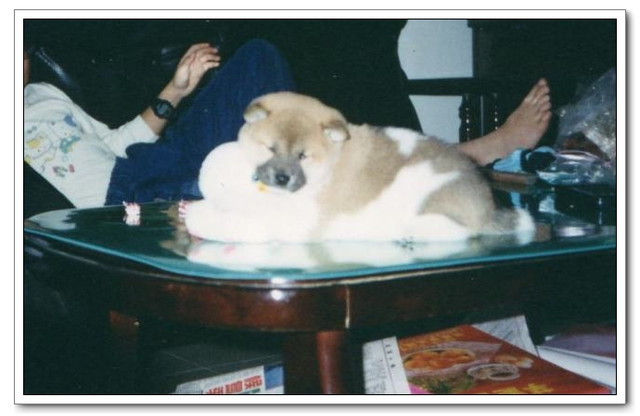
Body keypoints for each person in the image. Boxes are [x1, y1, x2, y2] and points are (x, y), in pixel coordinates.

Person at [24, 39, 551, 209]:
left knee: (258, 57)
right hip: (126, 203)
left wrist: (176, 91)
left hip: (144, 163)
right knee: (290, 180)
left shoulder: (41, 95)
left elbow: (114, 143)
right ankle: (470, 155)